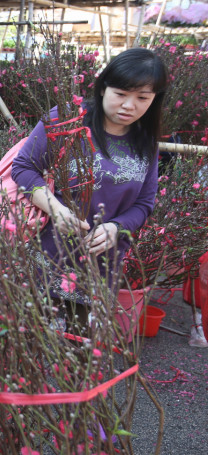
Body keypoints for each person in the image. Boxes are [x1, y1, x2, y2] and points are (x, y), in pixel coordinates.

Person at [10, 48, 169, 328]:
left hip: (101, 267)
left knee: (81, 351)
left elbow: (144, 204)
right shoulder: (67, 119)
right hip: (47, 255)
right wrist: (57, 209)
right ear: (103, 87)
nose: (129, 105)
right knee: (29, 341)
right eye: (121, 94)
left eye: (142, 98)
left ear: (154, 99)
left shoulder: (146, 140)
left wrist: (116, 228)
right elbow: (23, 168)